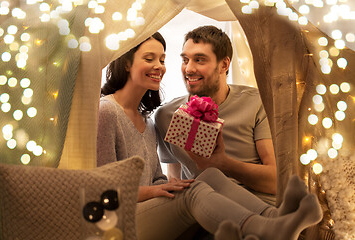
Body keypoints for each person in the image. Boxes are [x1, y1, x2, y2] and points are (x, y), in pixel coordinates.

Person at [97, 32, 322, 240]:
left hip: (151, 209)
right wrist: (157, 190)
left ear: (224, 64)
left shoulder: (146, 119)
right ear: (126, 62)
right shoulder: (108, 111)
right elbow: (101, 192)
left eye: (162, 60)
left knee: (210, 176)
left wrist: (167, 185)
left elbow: (158, 178)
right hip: (118, 219)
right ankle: (267, 229)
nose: (159, 66)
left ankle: (276, 220)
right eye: (149, 59)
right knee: (195, 190)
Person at [154, 25, 277, 205]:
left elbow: (275, 182)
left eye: (200, 60)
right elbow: (175, 178)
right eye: (185, 59)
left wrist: (222, 163)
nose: (188, 69)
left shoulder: (257, 103)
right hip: (202, 207)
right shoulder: (166, 115)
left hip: (257, 206)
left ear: (224, 65)